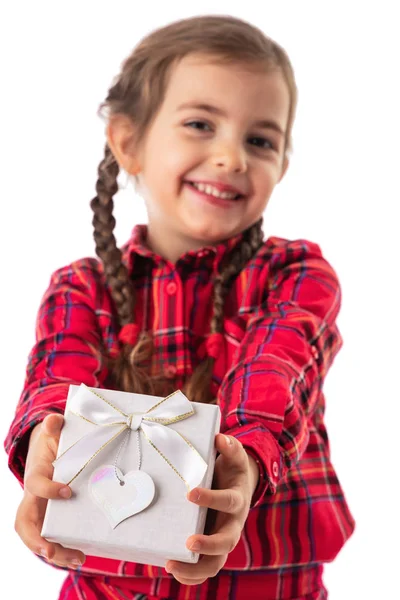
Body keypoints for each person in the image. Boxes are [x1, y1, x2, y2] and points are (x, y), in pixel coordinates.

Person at [4, 14, 355, 600]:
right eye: (200, 124)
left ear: (282, 168)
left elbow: (275, 372)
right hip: (108, 588)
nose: (232, 157)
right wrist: (45, 439)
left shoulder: (297, 275)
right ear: (129, 142)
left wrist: (244, 459)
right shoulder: (79, 290)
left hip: (269, 584)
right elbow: (56, 381)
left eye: (260, 140)